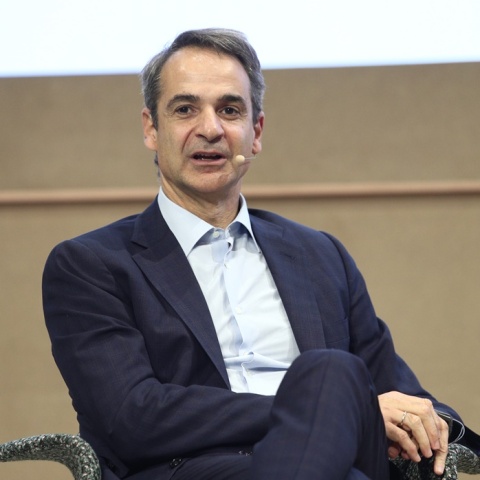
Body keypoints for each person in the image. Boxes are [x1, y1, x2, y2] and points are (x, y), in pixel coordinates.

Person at [42, 28, 478, 480]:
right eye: (185, 109)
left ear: (256, 133)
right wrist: (312, 407)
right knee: (329, 381)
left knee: (334, 373)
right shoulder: (90, 264)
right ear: (152, 128)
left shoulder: (320, 256)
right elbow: (132, 416)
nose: (210, 129)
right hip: (193, 469)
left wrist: (436, 423)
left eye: (229, 110)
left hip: (341, 460)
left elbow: (397, 389)